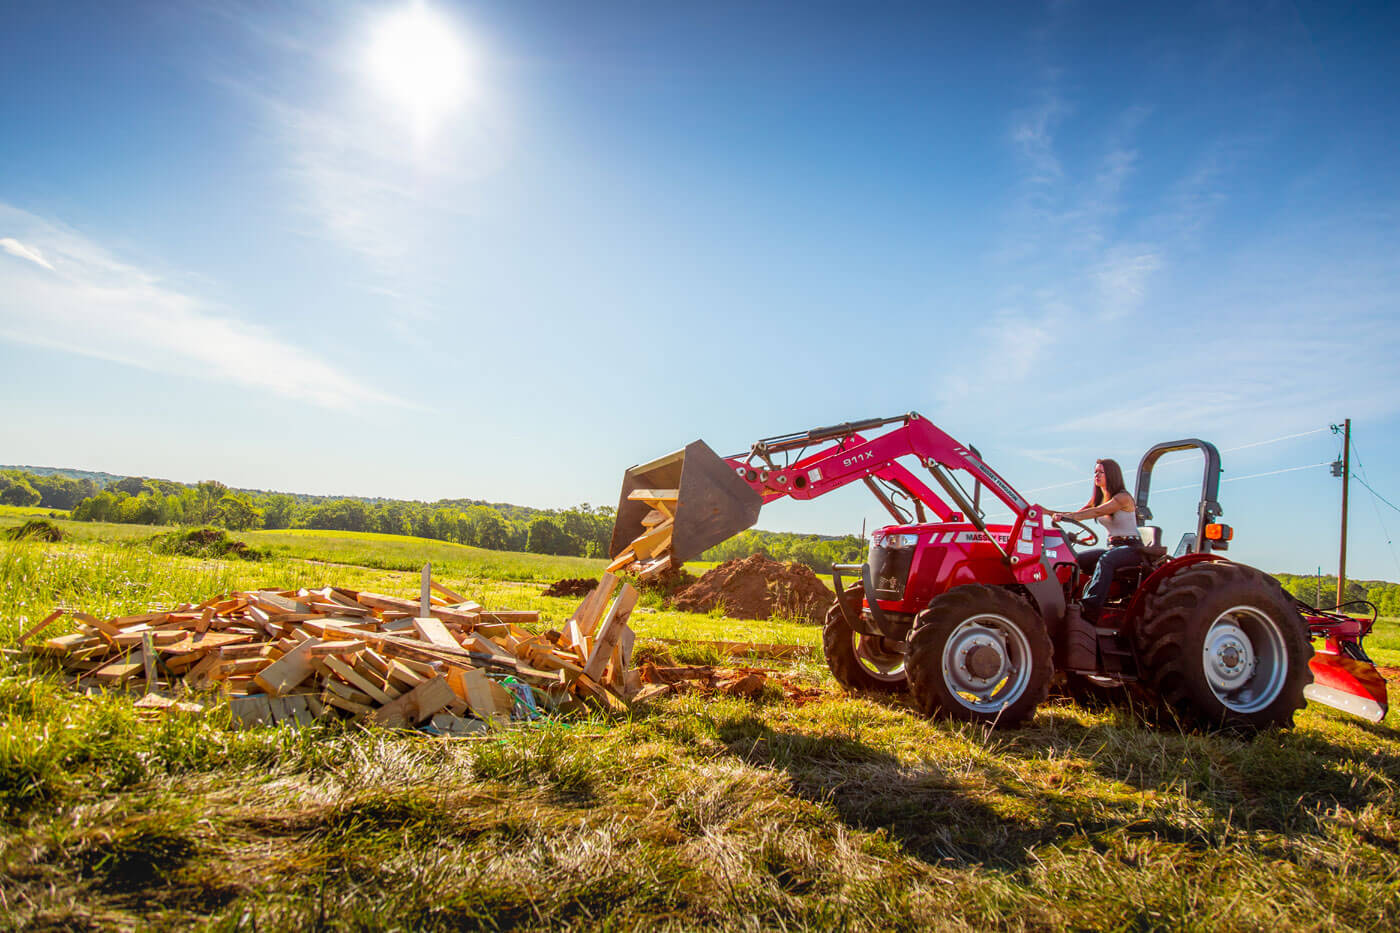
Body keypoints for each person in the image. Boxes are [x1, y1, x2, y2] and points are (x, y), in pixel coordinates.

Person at [1051, 458, 1144, 622]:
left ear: (1112, 475)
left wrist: (1066, 517)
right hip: (1114, 547)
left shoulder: (1122, 497)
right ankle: (1063, 599)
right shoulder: (1098, 498)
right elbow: (1077, 515)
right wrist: (1047, 513)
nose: (1097, 475)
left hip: (1132, 548)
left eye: (1101, 472)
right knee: (1076, 560)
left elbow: (1094, 513)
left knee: (1106, 560)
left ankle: (1090, 607)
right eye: (1095, 472)